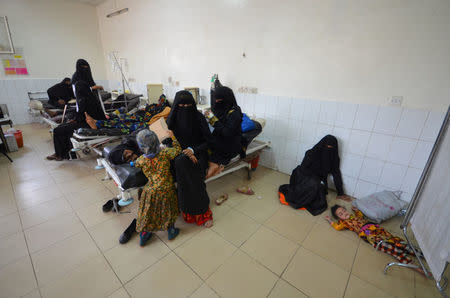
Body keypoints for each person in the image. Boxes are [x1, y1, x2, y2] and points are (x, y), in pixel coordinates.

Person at [167, 90, 214, 228]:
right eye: (181, 106)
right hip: (178, 153)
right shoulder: (171, 118)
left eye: (188, 106)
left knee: (186, 167)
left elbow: (209, 142)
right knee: (178, 163)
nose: (185, 109)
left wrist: (193, 150)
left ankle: (203, 212)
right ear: (176, 106)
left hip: (198, 153)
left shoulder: (198, 117)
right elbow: (168, 141)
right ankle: (186, 209)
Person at [278, 135, 352, 216]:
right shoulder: (311, 153)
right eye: (326, 147)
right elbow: (303, 170)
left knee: (319, 197)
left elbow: (336, 173)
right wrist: (314, 180)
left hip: (317, 179)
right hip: (303, 176)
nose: (328, 150)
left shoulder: (334, 158)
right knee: (314, 185)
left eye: (331, 148)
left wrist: (340, 193)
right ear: (322, 145)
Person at [134, 129, 181, 246]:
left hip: (150, 190)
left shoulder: (141, 160)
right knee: (169, 210)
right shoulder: (165, 153)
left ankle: (145, 235)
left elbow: (135, 163)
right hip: (166, 189)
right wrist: (173, 138)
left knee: (148, 212)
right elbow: (178, 150)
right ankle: (171, 231)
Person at [326, 205, 415, 264]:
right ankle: (404, 257)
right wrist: (330, 221)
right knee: (378, 240)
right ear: (339, 218)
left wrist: (356, 210)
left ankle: (412, 250)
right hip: (365, 231)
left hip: (374, 227)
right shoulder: (344, 223)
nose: (344, 213)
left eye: (344, 211)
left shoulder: (355, 216)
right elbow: (337, 227)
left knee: (390, 237)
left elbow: (361, 215)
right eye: (341, 214)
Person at [46, 81, 106, 161]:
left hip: (90, 124)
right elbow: (82, 115)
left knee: (59, 130)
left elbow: (86, 116)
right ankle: (62, 153)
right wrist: (75, 120)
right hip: (86, 122)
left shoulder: (84, 100)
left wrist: (75, 121)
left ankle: (60, 154)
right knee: (62, 127)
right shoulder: (89, 97)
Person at [205, 86, 243, 179]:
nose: (216, 102)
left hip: (230, 143)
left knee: (213, 152)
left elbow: (227, 132)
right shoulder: (221, 108)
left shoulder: (235, 112)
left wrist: (213, 120)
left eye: (219, 99)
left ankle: (215, 166)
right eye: (215, 99)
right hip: (219, 138)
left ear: (227, 99)